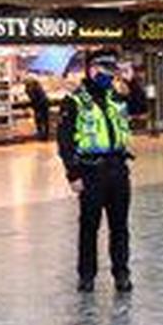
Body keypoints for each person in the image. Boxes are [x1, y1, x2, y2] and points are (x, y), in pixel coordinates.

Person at [57, 49, 134, 293]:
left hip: (118, 170)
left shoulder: (116, 97)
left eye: (113, 69)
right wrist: (73, 174)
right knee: (89, 227)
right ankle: (86, 276)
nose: (111, 74)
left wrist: (133, 81)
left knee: (119, 226)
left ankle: (121, 273)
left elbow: (141, 106)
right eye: (106, 69)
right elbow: (65, 141)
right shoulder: (75, 101)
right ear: (92, 70)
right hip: (91, 172)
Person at [23, 76, 51, 141]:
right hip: (45, 104)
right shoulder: (38, 86)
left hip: (39, 105)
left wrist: (33, 105)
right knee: (45, 120)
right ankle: (46, 135)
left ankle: (41, 135)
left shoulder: (30, 88)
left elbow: (34, 98)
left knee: (39, 120)